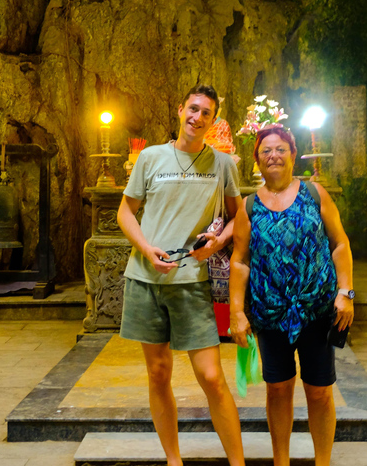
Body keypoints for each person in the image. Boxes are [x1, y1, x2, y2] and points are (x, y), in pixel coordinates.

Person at [117, 84, 245, 466]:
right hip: (145, 279)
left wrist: (217, 242)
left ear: (213, 120)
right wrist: (145, 248)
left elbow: (239, 215)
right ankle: (174, 461)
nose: (197, 117)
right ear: (179, 110)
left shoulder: (222, 165)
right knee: (158, 373)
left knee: (211, 377)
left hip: (191, 282)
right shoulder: (151, 157)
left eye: (206, 113)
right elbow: (125, 212)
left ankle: (238, 463)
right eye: (193, 109)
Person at [229, 126, 354, 466]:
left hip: (316, 311)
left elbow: (339, 243)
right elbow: (239, 261)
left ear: (293, 154)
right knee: (278, 389)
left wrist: (346, 292)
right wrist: (236, 312)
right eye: (266, 150)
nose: (274, 155)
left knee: (319, 391)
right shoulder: (249, 206)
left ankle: (322, 462)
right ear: (257, 160)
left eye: (281, 149)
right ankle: (280, 461)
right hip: (270, 317)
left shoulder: (315, 194)